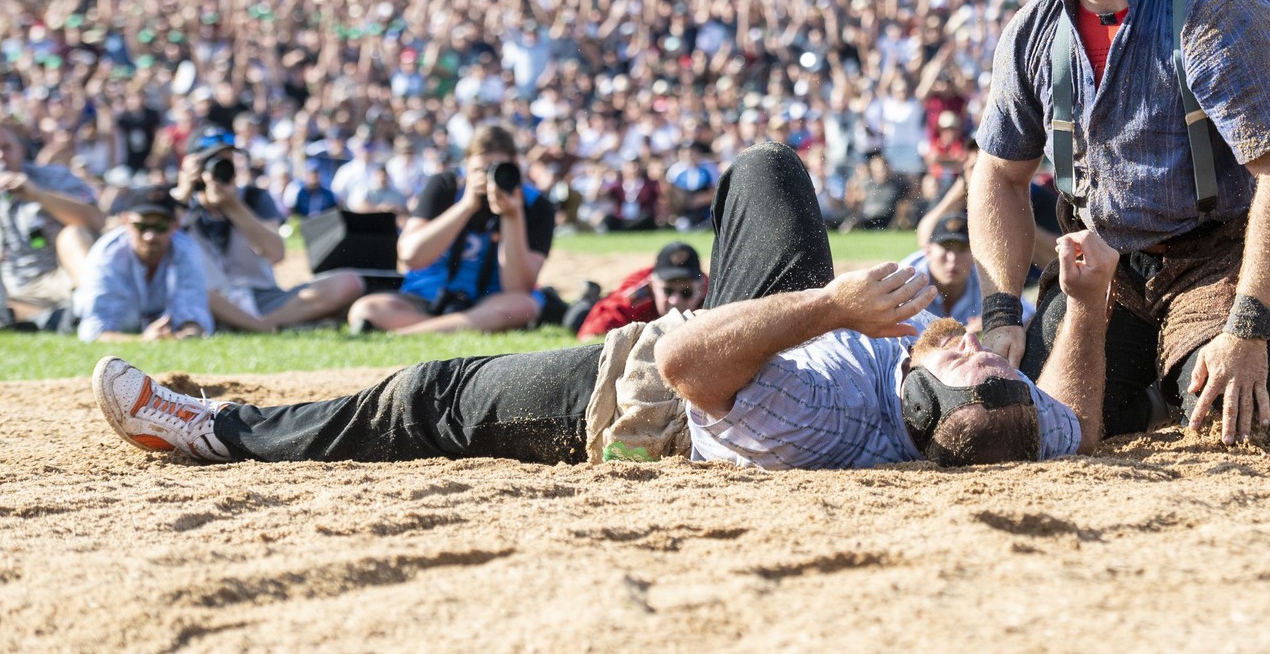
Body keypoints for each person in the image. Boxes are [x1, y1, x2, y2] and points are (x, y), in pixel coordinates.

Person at [91, 143, 1117, 469]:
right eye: (999, 362)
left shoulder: (819, 420)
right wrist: (1082, 305)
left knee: (427, 398)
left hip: (643, 399)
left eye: (974, 364)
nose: (981, 346)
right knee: (767, 169)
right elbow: (1083, 413)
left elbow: (685, 367)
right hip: (773, 341)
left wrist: (833, 308)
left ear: (926, 407)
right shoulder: (1020, 421)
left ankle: (216, 431)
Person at [970, 0, 1270, 446]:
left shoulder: (1219, 9)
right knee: (1037, 422)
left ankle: (1186, 377)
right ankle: (1151, 394)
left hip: (1219, 257)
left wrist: (1248, 326)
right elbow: (999, 175)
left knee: (1232, 420)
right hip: (1103, 261)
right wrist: (1002, 311)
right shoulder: (1032, 31)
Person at [345, 124, 555, 334]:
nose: (488, 179)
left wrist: (512, 215)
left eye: (497, 170)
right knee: (366, 309)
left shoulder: (535, 206)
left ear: (515, 169)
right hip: (428, 298)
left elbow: (518, 288)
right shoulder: (445, 186)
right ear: (465, 167)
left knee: (524, 306)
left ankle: (409, 332)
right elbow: (410, 256)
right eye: (480, 171)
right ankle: (447, 327)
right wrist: (465, 205)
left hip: (489, 303)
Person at [175, 126, 365, 333]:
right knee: (194, 290)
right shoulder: (174, 203)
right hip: (206, 298)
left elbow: (277, 253)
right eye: (211, 161)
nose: (219, 169)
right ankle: (269, 326)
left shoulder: (254, 197)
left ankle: (258, 324)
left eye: (227, 160)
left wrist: (233, 205)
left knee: (348, 282)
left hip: (262, 297)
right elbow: (162, 248)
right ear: (191, 165)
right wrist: (183, 195)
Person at [0, 116, 103, 330]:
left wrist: (38, 195)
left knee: (73, 235)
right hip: (8, 290)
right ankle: (55, 319)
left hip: (60, 279)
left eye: (6, 147)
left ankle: (92, 313)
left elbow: (96, 220)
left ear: (21, 150)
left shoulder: (53, 177)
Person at [72, 186, 213, 342]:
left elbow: (194, 316)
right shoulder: (107, 255)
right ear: (125, 222)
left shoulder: (187, 250)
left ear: (174, 226)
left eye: (160, 227)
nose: (150, 236)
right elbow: (95, 332)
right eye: (142, 226)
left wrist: (182, 336)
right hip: (76, 318)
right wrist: (143, 340)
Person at [569, 241, 707, 340]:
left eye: (686, 292)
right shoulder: (636, 296)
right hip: (589, 311)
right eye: (668, 291)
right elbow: (590, 335)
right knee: (575, 318)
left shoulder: (712, 296)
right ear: (652, 286)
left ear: (700, 289)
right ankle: (588, 298)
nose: (675, 300)